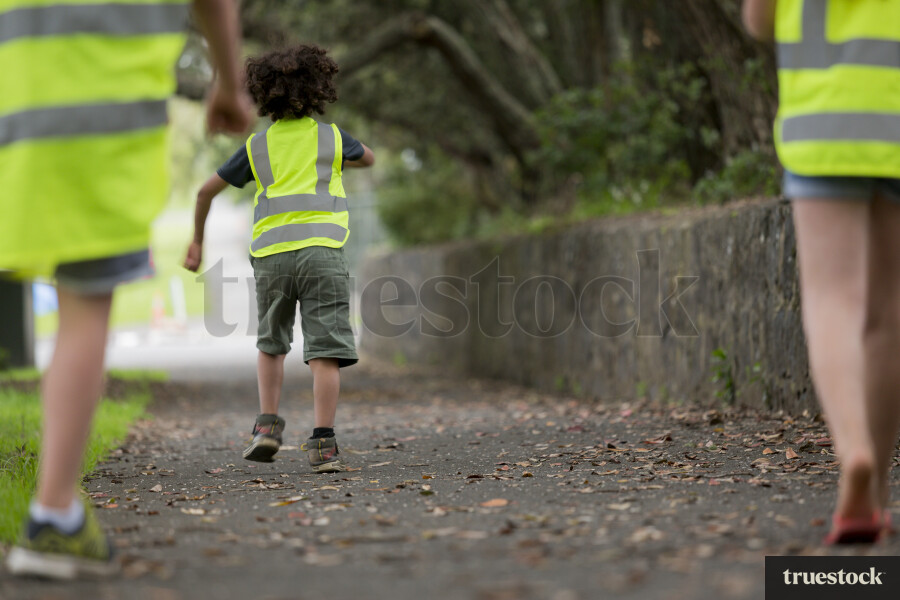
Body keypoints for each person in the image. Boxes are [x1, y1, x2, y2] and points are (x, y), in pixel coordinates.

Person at [1, 0, 253, 578]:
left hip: (13, 128)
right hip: (101, 136)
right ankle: (55, 514)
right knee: (84, 311)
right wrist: (228, 83)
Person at [743, 0, 900, 544]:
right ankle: (876, 484)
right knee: (889, 312)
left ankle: (853, 449)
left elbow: (759, 20)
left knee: (835, 300)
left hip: (824, 123)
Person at [184, 44, 375, 474]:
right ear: (319, 90)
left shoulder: (257, 147)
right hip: (323, 253)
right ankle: (324, 445)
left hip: (271, 257)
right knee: (324, 350)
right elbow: (369, 158)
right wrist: (341, 163)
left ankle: (266, 428)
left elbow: (203, 192)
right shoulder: (332, 138)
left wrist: (197, 243)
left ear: (261, 95)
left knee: (271, 343)